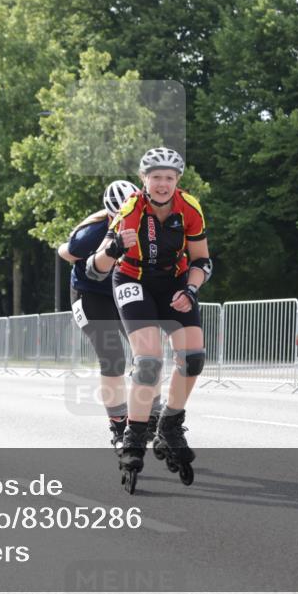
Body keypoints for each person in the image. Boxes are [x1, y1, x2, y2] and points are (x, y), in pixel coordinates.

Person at [86, 147, 212, 493]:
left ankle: (170, 424)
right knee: (149, 363)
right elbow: (93, 269)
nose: (162, 184)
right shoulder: (130, 210)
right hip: (132, 280)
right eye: (155, 177)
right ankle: (133, 437)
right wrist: (111, 251)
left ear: (178, 181)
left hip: (174, 283)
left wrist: (190, 290)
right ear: (144, 180)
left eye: (169, 178)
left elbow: (202, 260)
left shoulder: (190, 208)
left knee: (193, 359)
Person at [57, 180, 151, 452]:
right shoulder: (91, 233)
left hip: (124, 290)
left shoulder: (149, 227)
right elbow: (67, 251)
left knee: (147, 354)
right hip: (90, 294)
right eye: (118, 217)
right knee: (112, 357)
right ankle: (119, 425)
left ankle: (148, 415)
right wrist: (72, 253)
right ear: (110, 215)